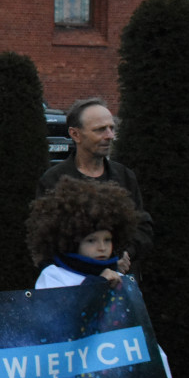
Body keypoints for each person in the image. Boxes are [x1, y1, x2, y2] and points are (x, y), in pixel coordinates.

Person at [27, 178, 177, 378]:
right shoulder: (53, 277)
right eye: (92, 240)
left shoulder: (124, 284)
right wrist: (97, 285)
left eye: (107, 240)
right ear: (72, 240)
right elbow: (55, 321)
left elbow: (142, 338)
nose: (102, 247)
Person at [36, 98, 153, 276]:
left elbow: (143, 226)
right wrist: (94, 266)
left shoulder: (124, 176)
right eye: (100, 130)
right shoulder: (54, 181)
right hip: (74, 287)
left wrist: (124, 255)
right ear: (75, 134)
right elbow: (46, 242)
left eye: (111, 128)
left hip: (121, 286)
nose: (109, 135)